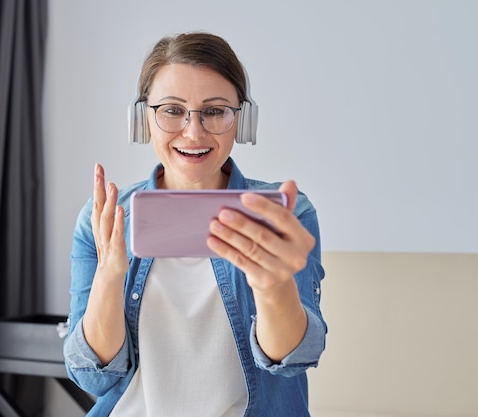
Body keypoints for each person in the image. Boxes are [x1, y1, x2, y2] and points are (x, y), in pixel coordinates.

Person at [64, 31, 327, 417]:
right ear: (143, 119)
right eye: (172, 110)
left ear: (243, 119)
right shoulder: (102, 217)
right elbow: (91, 377)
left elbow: (293, 362)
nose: (193, 131)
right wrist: (109, 275)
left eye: (215, 111)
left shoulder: (284, 216)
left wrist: (271, 286)